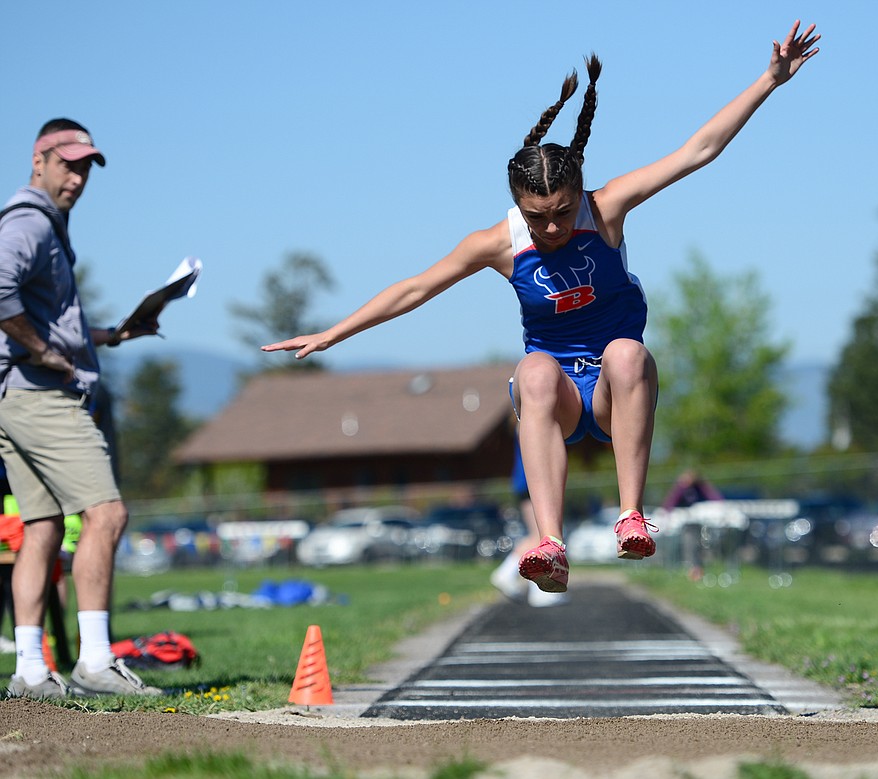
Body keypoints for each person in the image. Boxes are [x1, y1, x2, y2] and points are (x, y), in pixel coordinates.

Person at [264, 21, 821, 595]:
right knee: (530, 368)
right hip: (555, 397)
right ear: (517, 207)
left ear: (578, 191)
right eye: (537, 217)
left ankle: (631, 515)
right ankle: (548, 545)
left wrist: (769, 81)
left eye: (561, 210)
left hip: (613, 392)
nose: (552, 227)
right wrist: (333, 334)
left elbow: (696, 151)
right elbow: (414, 289)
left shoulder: (605, 209)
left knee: (627, 353)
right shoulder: (499, 243)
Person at [0, 119, 162, 698]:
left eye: (86, 167)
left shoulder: (45, 226)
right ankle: (95, 661)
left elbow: (41, 317)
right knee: (107, 515)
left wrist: (111, 336)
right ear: (38, 159)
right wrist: (46, 352)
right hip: (40, 394)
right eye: (67, 163)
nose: (77, 177)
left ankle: (29, 669)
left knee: (41, 528)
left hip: (12, 395)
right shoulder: (29, 222)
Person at [490, 434, 569, 607]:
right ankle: (513, 577)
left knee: (539, 536)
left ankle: (517, 578)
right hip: (532, 482)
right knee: (541, 537)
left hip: (527, 482)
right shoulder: (530, 417)